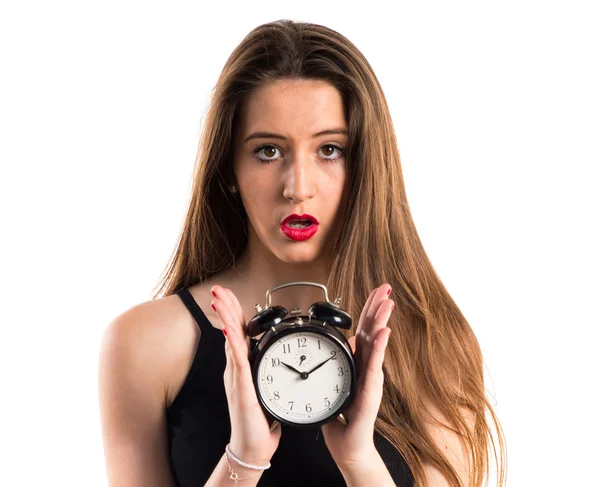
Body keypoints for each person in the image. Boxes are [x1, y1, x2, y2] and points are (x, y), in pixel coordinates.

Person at [98, 19, 506, 487]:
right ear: (228, 167)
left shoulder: (431, 343)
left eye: (329, 150)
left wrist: (359, 461)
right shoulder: (146, 345)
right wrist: (243, 459)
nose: (298, 189)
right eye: (268, 151)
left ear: (366, 166)